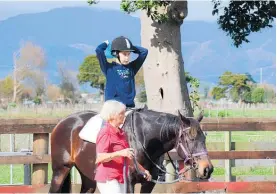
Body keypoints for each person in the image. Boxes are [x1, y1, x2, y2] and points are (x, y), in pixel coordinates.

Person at [95, 100, 151, 194]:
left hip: (120, 176)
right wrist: (120, 153)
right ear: (113, 115)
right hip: (108, 178)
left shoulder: (121, 133)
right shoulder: (105, 132)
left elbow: (128, 158)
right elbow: (100, 158)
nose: (124, 116)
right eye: (121, 113)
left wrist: (143, 170)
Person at [95, 36, 148, 108]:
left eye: (129, 54)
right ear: (116, 54)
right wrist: (106, 43)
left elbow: (144, 52)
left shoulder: (132, 68)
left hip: (130, 107)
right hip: (113, 108)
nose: (127, 58)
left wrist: (130, 47)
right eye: (124, 54)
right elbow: (99, 50)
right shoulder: (108, 68)